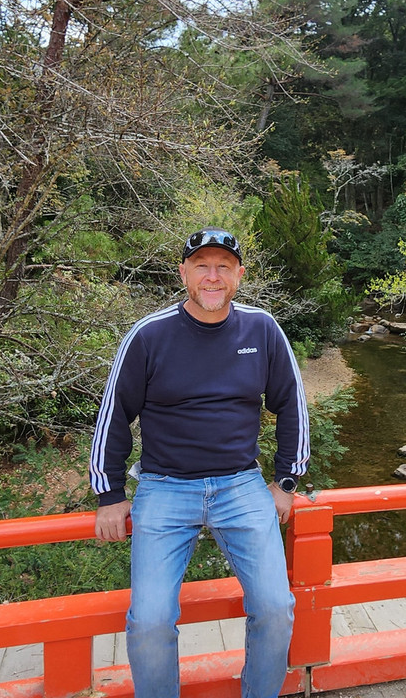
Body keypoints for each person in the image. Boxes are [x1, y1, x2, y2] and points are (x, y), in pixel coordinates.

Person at [89, 226, 311, 698]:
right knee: (150, 620)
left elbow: (292, 403)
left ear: (239, 275)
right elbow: (114, 414)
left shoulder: (261, 328)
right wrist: (110, 494)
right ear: (184, 273)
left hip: (241, 485)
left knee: (276, 607)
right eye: (202, 266)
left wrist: (286, 481)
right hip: (164, 487)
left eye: (223, 267)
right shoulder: (149, 335)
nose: (213, 277)